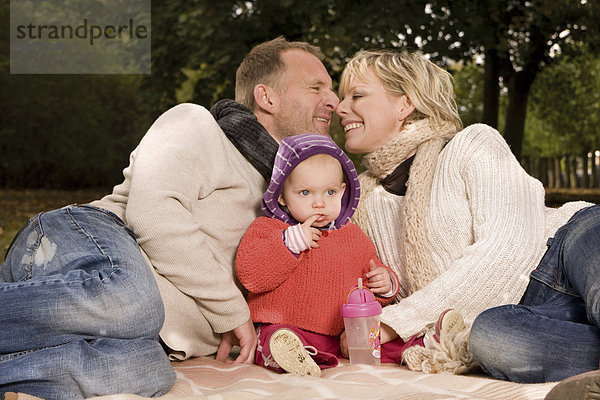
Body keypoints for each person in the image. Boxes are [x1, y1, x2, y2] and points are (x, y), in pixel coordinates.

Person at [0, 37, 338, 400]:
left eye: (332, 90)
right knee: (134, 299)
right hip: (82, 238)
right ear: (266, 97)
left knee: (147, 372)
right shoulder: (196, 124)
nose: (333, 100)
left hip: (135, 331)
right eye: (316, 87)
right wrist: (231, 311)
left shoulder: (294, 199)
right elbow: (152, 214)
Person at [335, 48, 595, 380]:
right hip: (520, 311)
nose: (341, 108)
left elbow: (507, 247)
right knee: (491, 340)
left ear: (405, 103)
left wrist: (394, 322)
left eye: (356, 95)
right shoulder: (364, 204)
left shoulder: (472, 144)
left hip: (567, 245)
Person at [235, 133, 400, 377]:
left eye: (330, 192)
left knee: (376, 339)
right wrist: (288, 243)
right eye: (305, 193)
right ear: (281, 194)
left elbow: (367, 286)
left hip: (339, 336)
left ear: (343, 191)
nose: (319, 203)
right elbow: (251, 275)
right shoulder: (269, 229)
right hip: (285, 327)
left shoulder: (353, 236)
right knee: (273, 339)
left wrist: (386, 284)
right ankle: (295, 356)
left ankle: (426, 346)